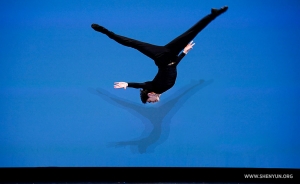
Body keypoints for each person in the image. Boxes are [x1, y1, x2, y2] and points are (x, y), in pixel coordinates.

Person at [91, 6, 228, 104]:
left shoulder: (153, 87)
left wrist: (127, 84)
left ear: (150, 95)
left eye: (149, 102)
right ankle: (214, 14)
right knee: (191, 33)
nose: (153, 103)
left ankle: (105, 31)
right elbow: (172, 68)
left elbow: (141, 84)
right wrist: (184, 53)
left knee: (133, 43)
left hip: (160, 57)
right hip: (172, 55)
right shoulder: (164, 89)